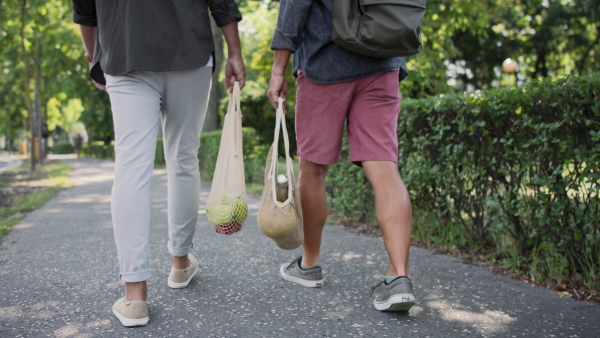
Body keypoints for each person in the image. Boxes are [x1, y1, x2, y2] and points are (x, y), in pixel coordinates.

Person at [72, 0, 246, 327]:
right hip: (190, 49)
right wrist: (234, 52)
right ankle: (180, 263)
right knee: (183, 159)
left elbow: (84, 9)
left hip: (124, 50)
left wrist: (93, 53)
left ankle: (135, 296)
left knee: (131, 168)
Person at [267, 0, 416, 312]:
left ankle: (309, 266)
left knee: (313, 169)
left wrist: (279, 67)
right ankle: (399, 278)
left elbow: (295, 4)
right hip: (382, 59)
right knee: (385, 168)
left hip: (325, 62)